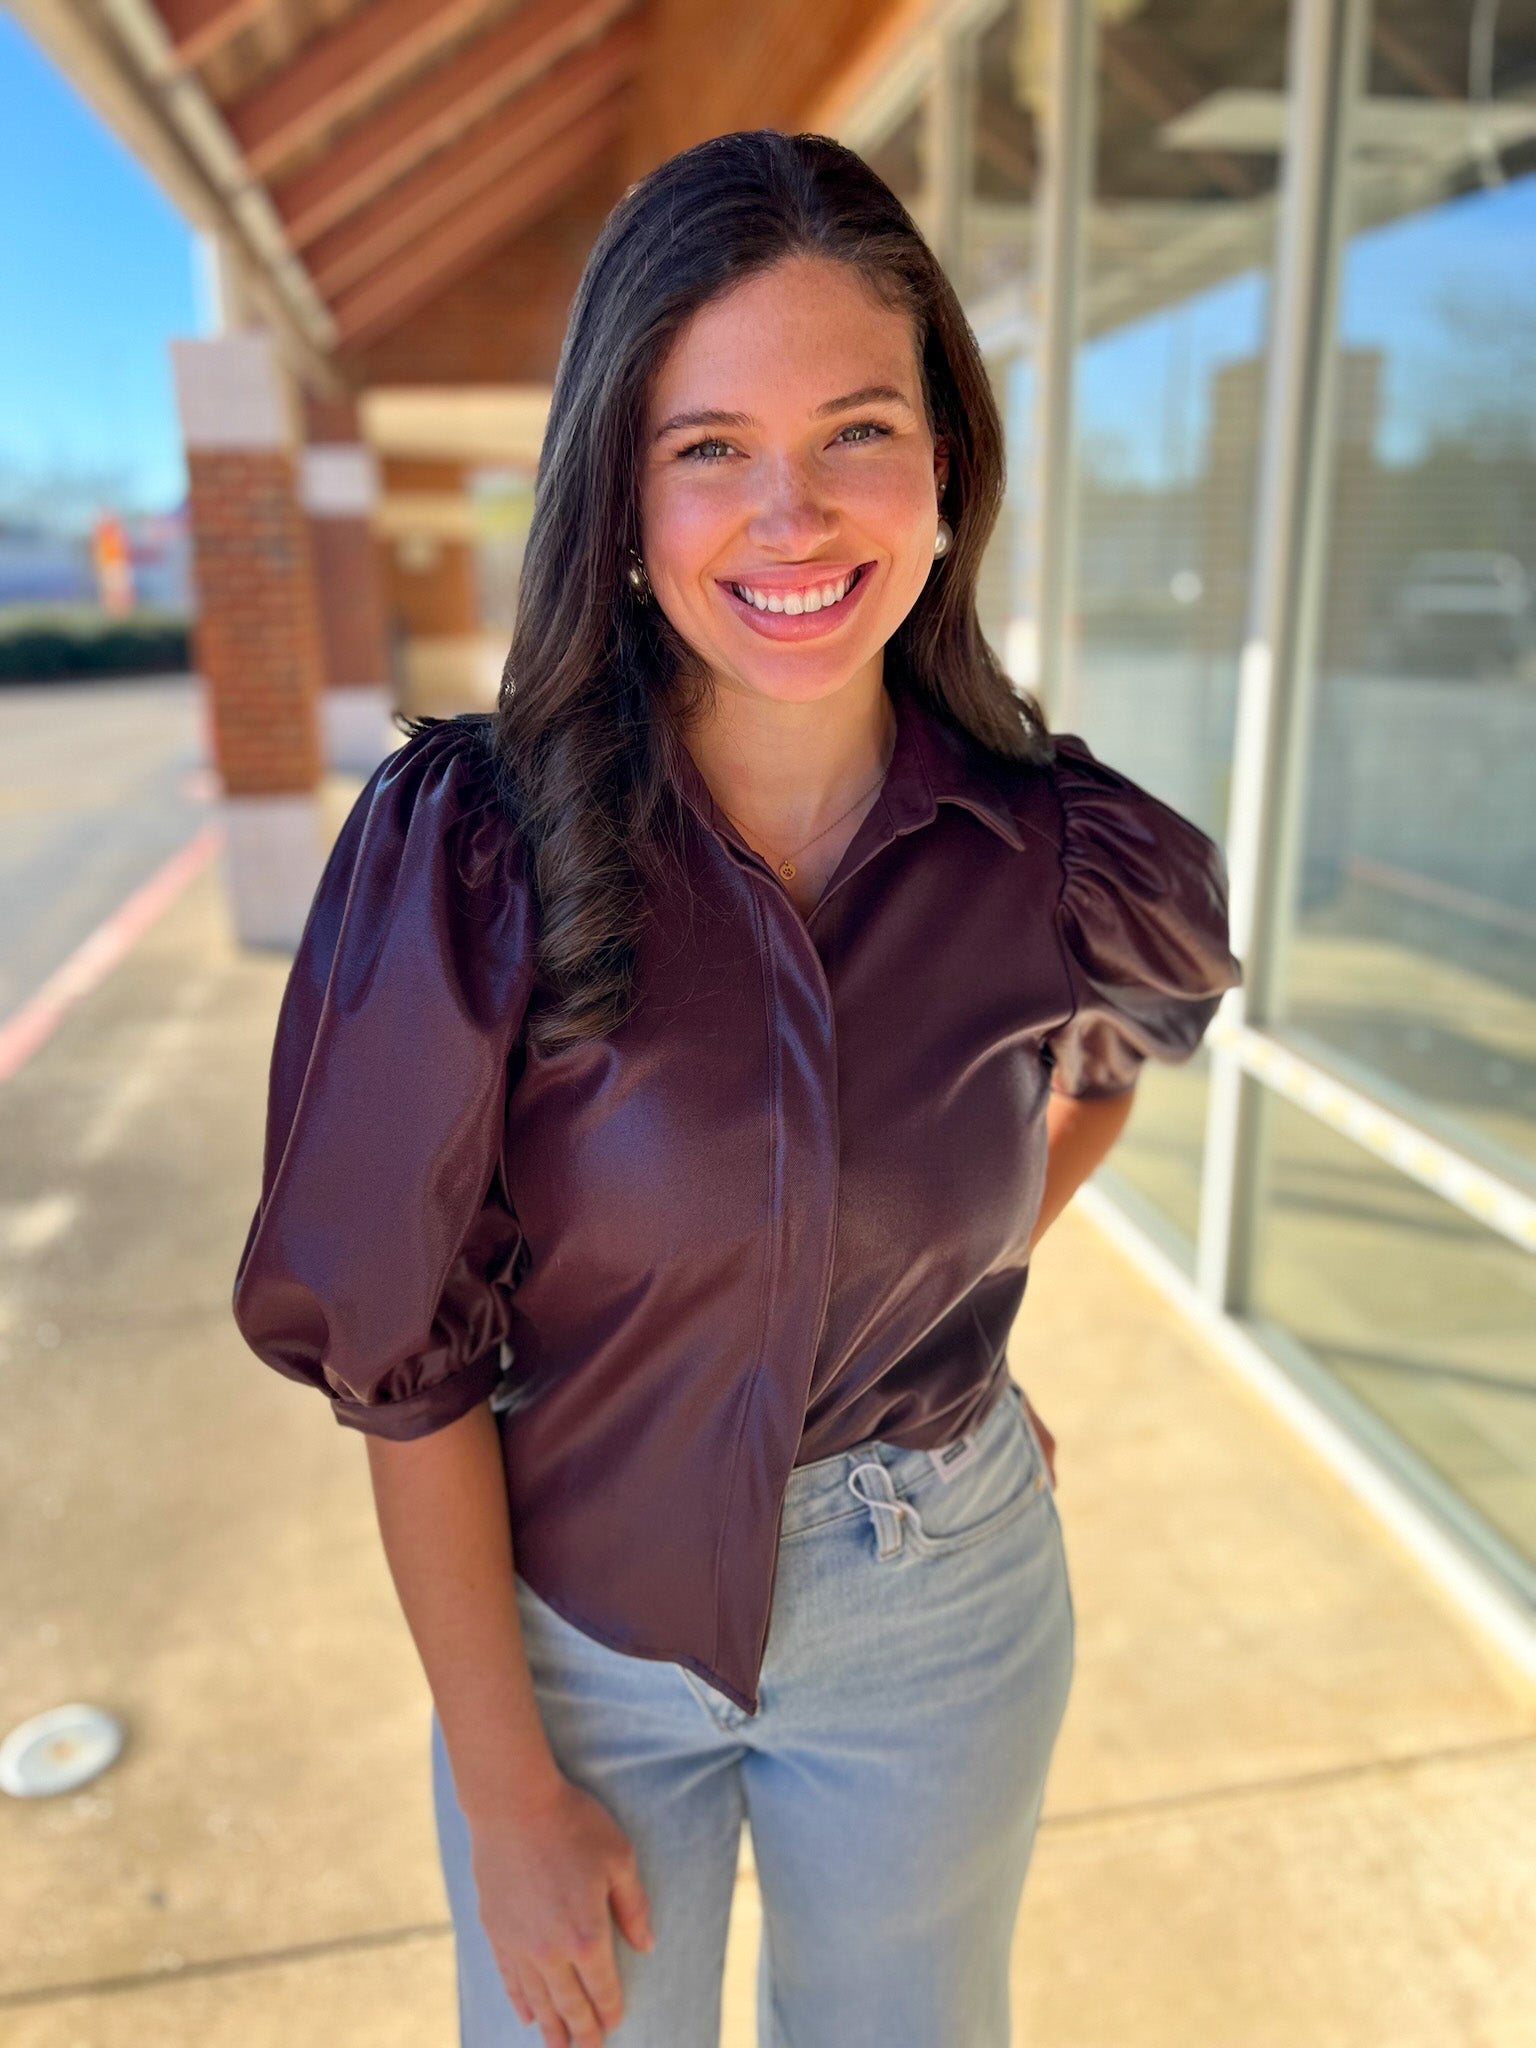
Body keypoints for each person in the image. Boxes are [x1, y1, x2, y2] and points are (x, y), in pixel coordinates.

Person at [232, 129, 1241, 2048]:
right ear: (620, 493)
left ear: (946, 472)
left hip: (944, 1612)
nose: (791, 516)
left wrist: (934, 1302)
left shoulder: (1054, 853)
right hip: (580, 1635)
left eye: (857, 429)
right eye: (709, 447)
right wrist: (505, 1785)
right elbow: (406, 1359)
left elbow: (1114, 1048)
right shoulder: (474, 854)